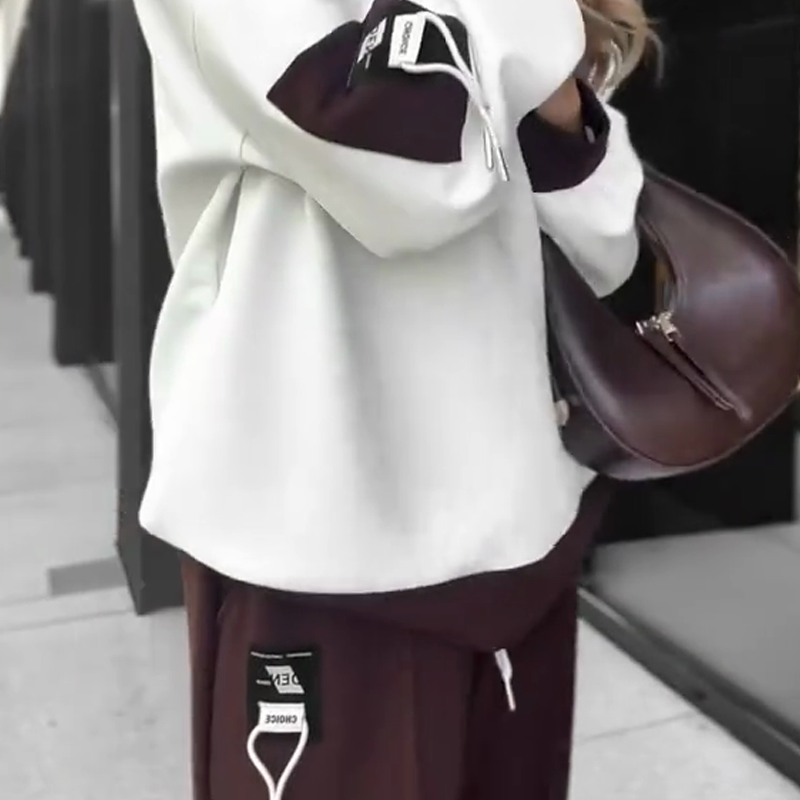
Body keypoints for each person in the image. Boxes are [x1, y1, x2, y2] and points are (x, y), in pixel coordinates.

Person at [131, 1, 656, 798]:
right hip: (325, 540)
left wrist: (550, 97)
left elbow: (605, 236)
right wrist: (531, 61)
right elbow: (409, 172)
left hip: (522, 530)